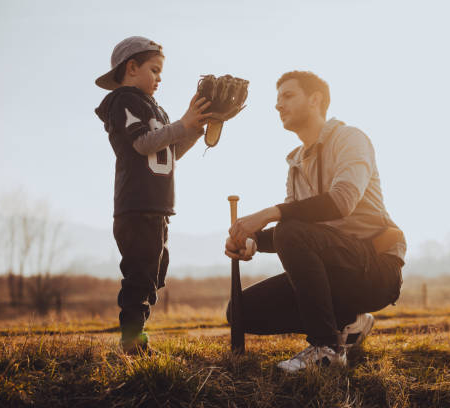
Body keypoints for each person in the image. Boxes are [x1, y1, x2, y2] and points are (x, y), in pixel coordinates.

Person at [225, 71, 406, 372]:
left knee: (290, 229)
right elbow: (296, 232)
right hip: (333, 268)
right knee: (239, 312)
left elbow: (341, 201)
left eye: (287, 96)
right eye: (277, 98)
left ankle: (327, 348)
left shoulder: (350, 139)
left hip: (376, 269)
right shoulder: (296, 164)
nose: (278, 105)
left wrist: (269, 213)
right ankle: (348, 321)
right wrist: (250, 241)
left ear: (316, 99)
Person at [95, 36, 212, 354]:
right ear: (131, 68)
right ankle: (132, 340)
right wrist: (181, 123)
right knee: (140, 275)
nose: (160, 78)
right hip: (137, 205)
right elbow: (144, 144)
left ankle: (136, 332)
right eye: (155, 70)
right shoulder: (124, 101)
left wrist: (195, 127)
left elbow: (168, 152)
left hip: (157, 207)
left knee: (154, 274)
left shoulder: (154, 108)